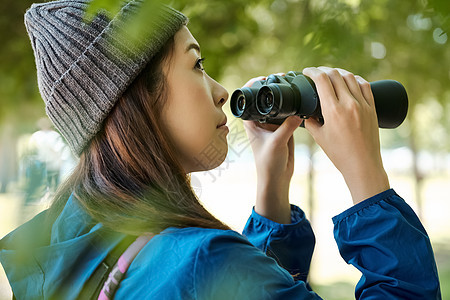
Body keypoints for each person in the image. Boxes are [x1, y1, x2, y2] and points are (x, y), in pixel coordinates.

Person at [0, 0, 441, 299]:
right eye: (197, 65)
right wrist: (365, 177)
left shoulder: (61, 255)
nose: (220, 92)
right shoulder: (204, 263)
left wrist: (271, 193)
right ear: (141, 101)